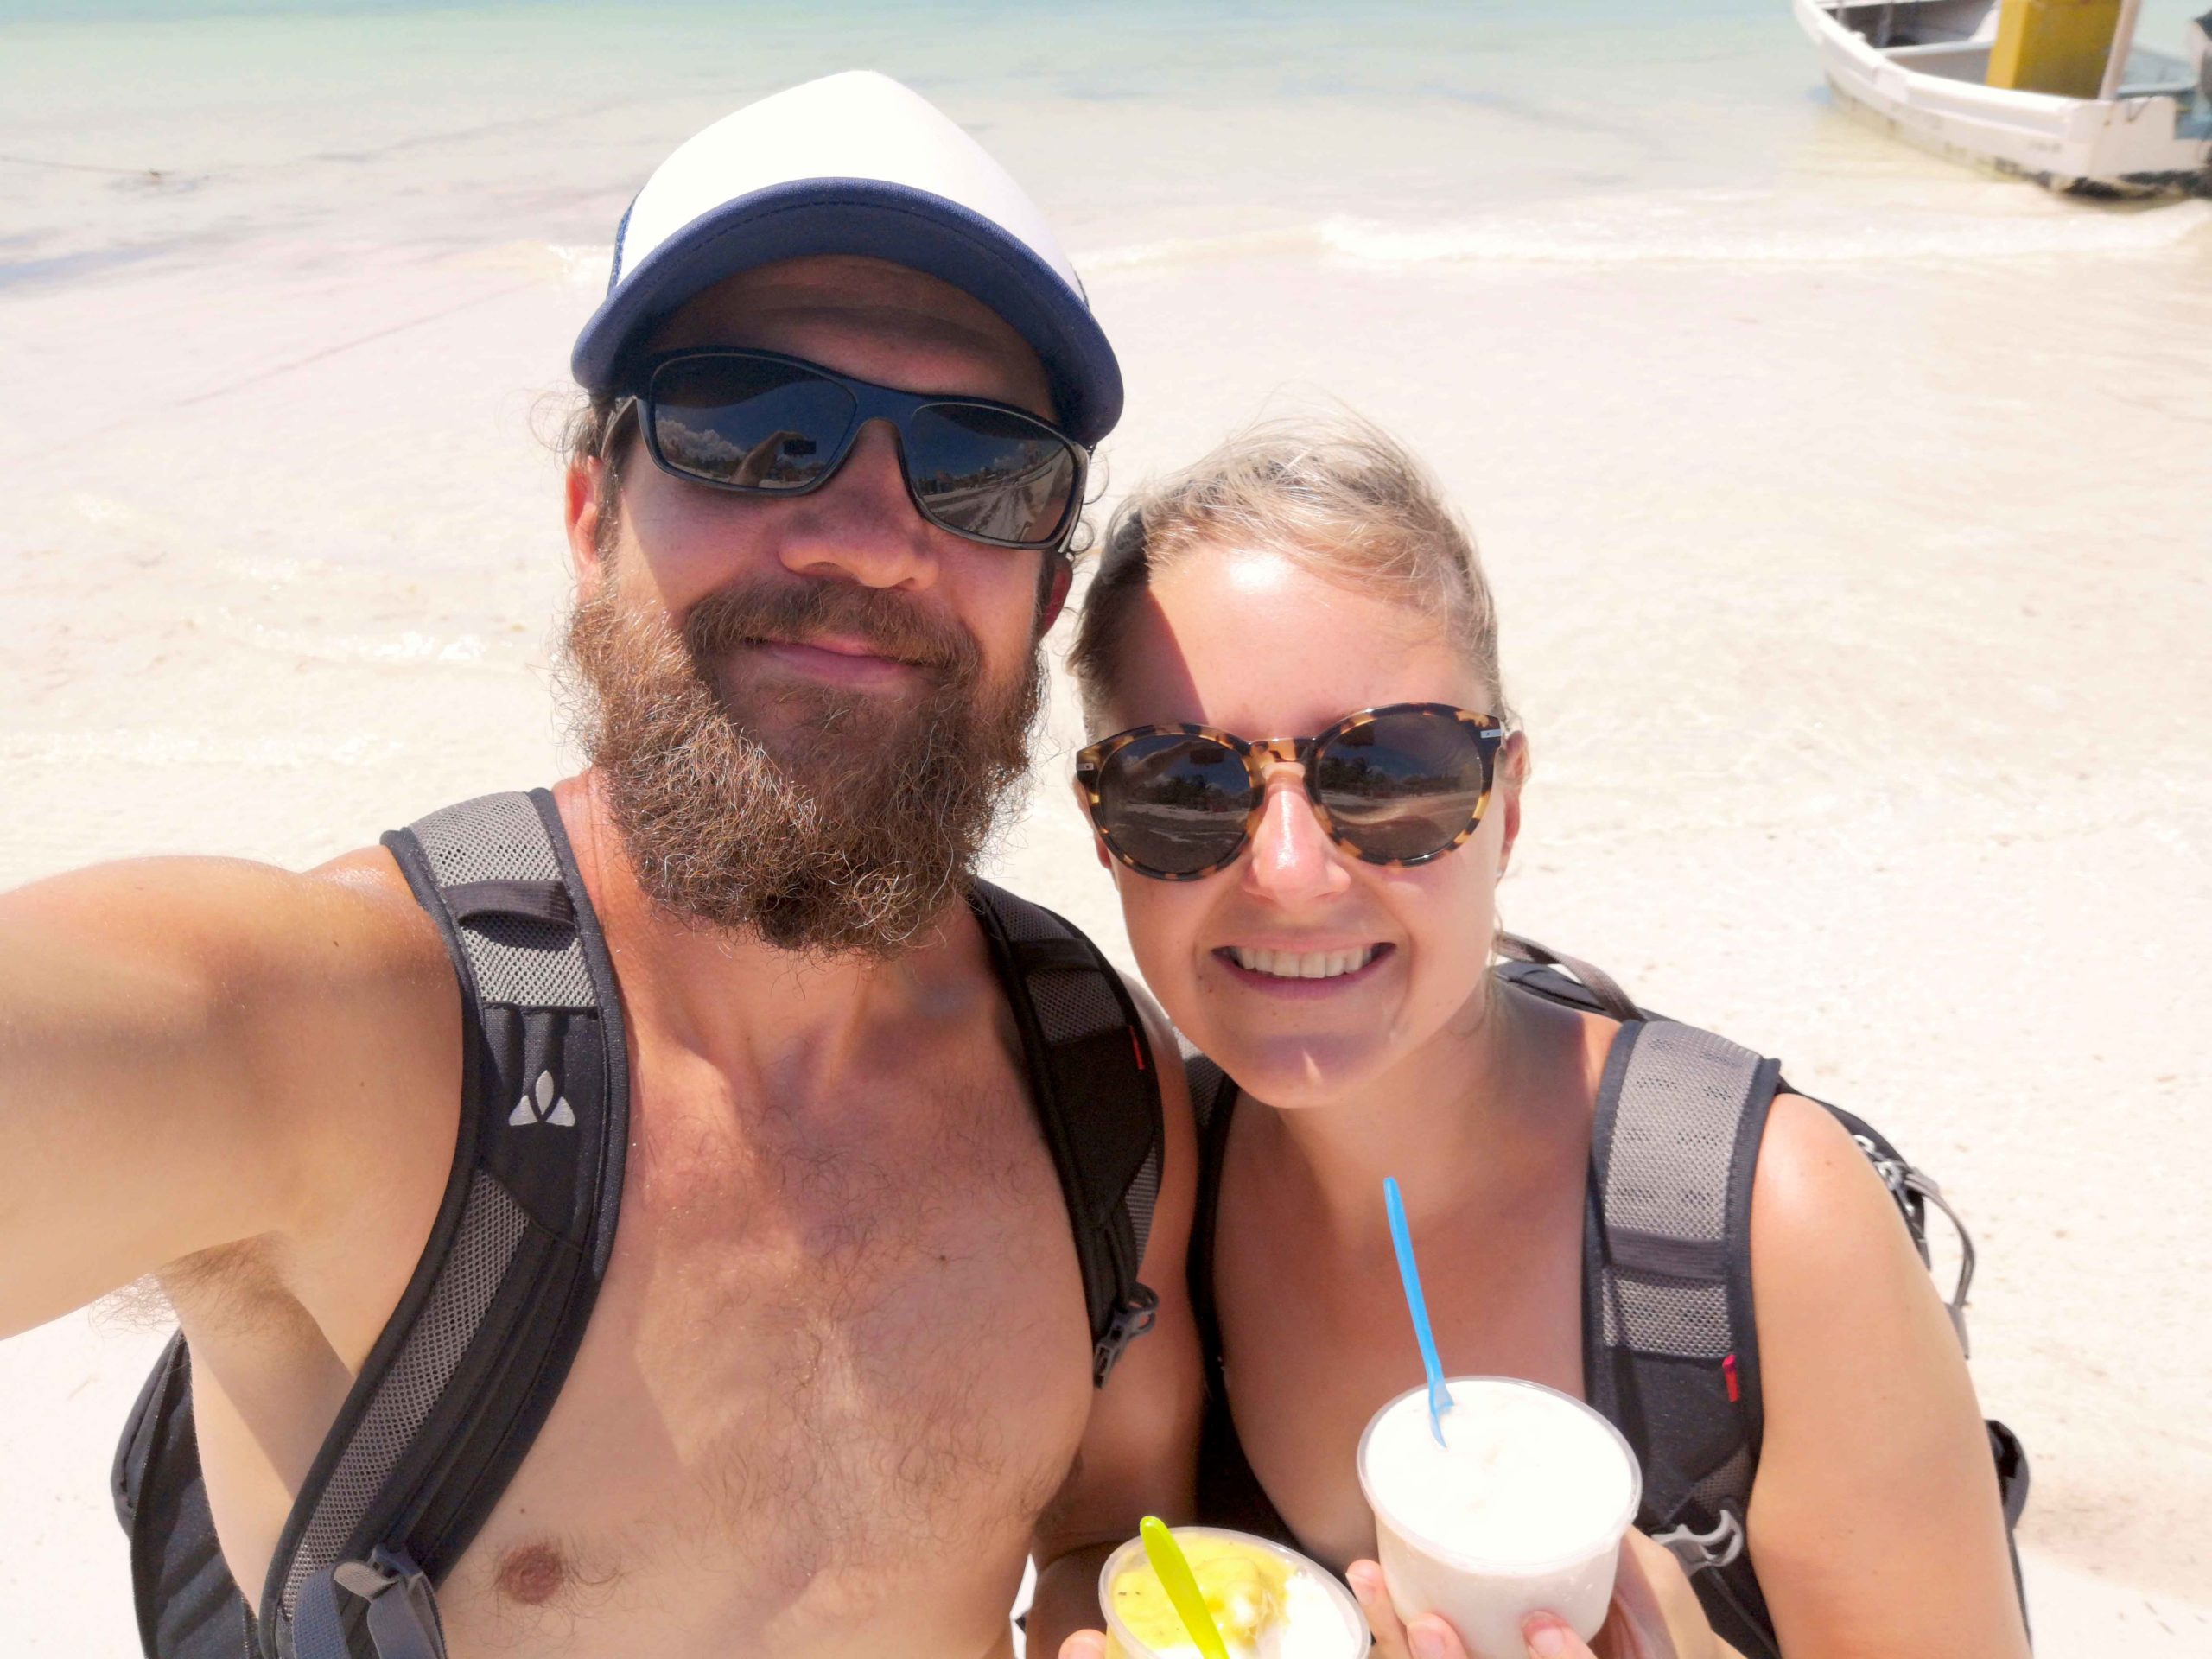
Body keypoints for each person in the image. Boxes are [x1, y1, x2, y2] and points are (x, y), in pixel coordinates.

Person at [0, 72, 1200, 1659]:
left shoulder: (1102, 1094)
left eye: (980, 468)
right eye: (753, 429)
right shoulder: (355, 1039)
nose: (863, 534)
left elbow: (1113, 1538)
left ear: (1044, 596)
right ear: (590, 516)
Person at [1058, 417, 2032, 1659]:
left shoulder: (1769, 1223)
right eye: (1185, 788)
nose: (1292, 872)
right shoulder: (1150, 1180)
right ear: (1106, 836)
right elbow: (1106, 1561)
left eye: (1390, 774)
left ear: (1504, 806)